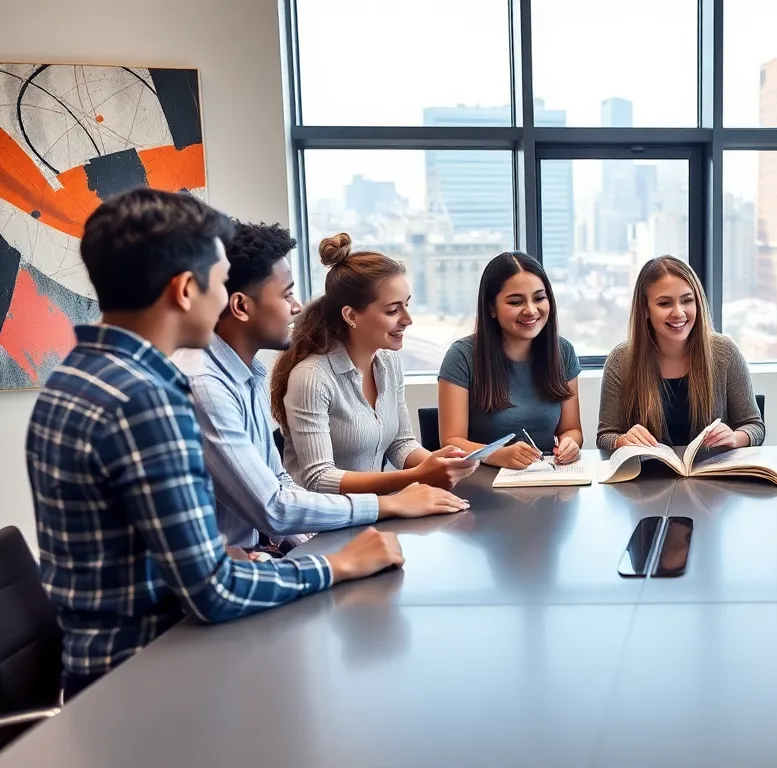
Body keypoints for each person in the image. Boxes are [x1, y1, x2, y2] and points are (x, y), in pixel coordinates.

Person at [26, 190, 405, 699]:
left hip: (111, 659)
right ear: (186, 290)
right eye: (220, 280)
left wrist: (224, 554)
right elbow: (214, 591)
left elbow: (145, 545)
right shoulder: (149, 398)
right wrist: (337, 564)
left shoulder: (79, 375)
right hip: (142, 677)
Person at [188, 222, 469, 553]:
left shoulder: (247, 375)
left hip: (289, 540)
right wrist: (396, 498)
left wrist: (433, 467)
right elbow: (279, 506)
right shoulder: (210, 386)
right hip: (236, 560)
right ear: (240, 306)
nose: (297, 307)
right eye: (287, 294)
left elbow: (280, 485)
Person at [271, 233, 478, 495]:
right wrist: (415, 477)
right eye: (393, 310)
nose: (408, 319)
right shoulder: (312, 377)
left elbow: (400, 443)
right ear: (350, 315)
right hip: (318, 527)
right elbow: (319, 478)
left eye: (407, 305)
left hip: (370, 512)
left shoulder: (388, 363)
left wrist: (440, 464)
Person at [597, 256, 765, 450]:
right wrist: (623, 440)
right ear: (645, 309)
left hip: (711, 475)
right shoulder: (621, 360)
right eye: (664, 303)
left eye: (687, 301)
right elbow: (605, 436)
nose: (678, 312)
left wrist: (735, 437)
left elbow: (755, 427)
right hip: (646, 477)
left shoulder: (724, 352)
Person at [438, 251, 583, 470]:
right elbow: (451, 442)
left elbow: (572, 429)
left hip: (546, 479)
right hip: (482, 482)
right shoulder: (462, 357)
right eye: (516, 302)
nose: (531, 310)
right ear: (491, 308)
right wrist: (496, 455)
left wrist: (570, 443)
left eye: (539, 298)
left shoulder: (563, 351)